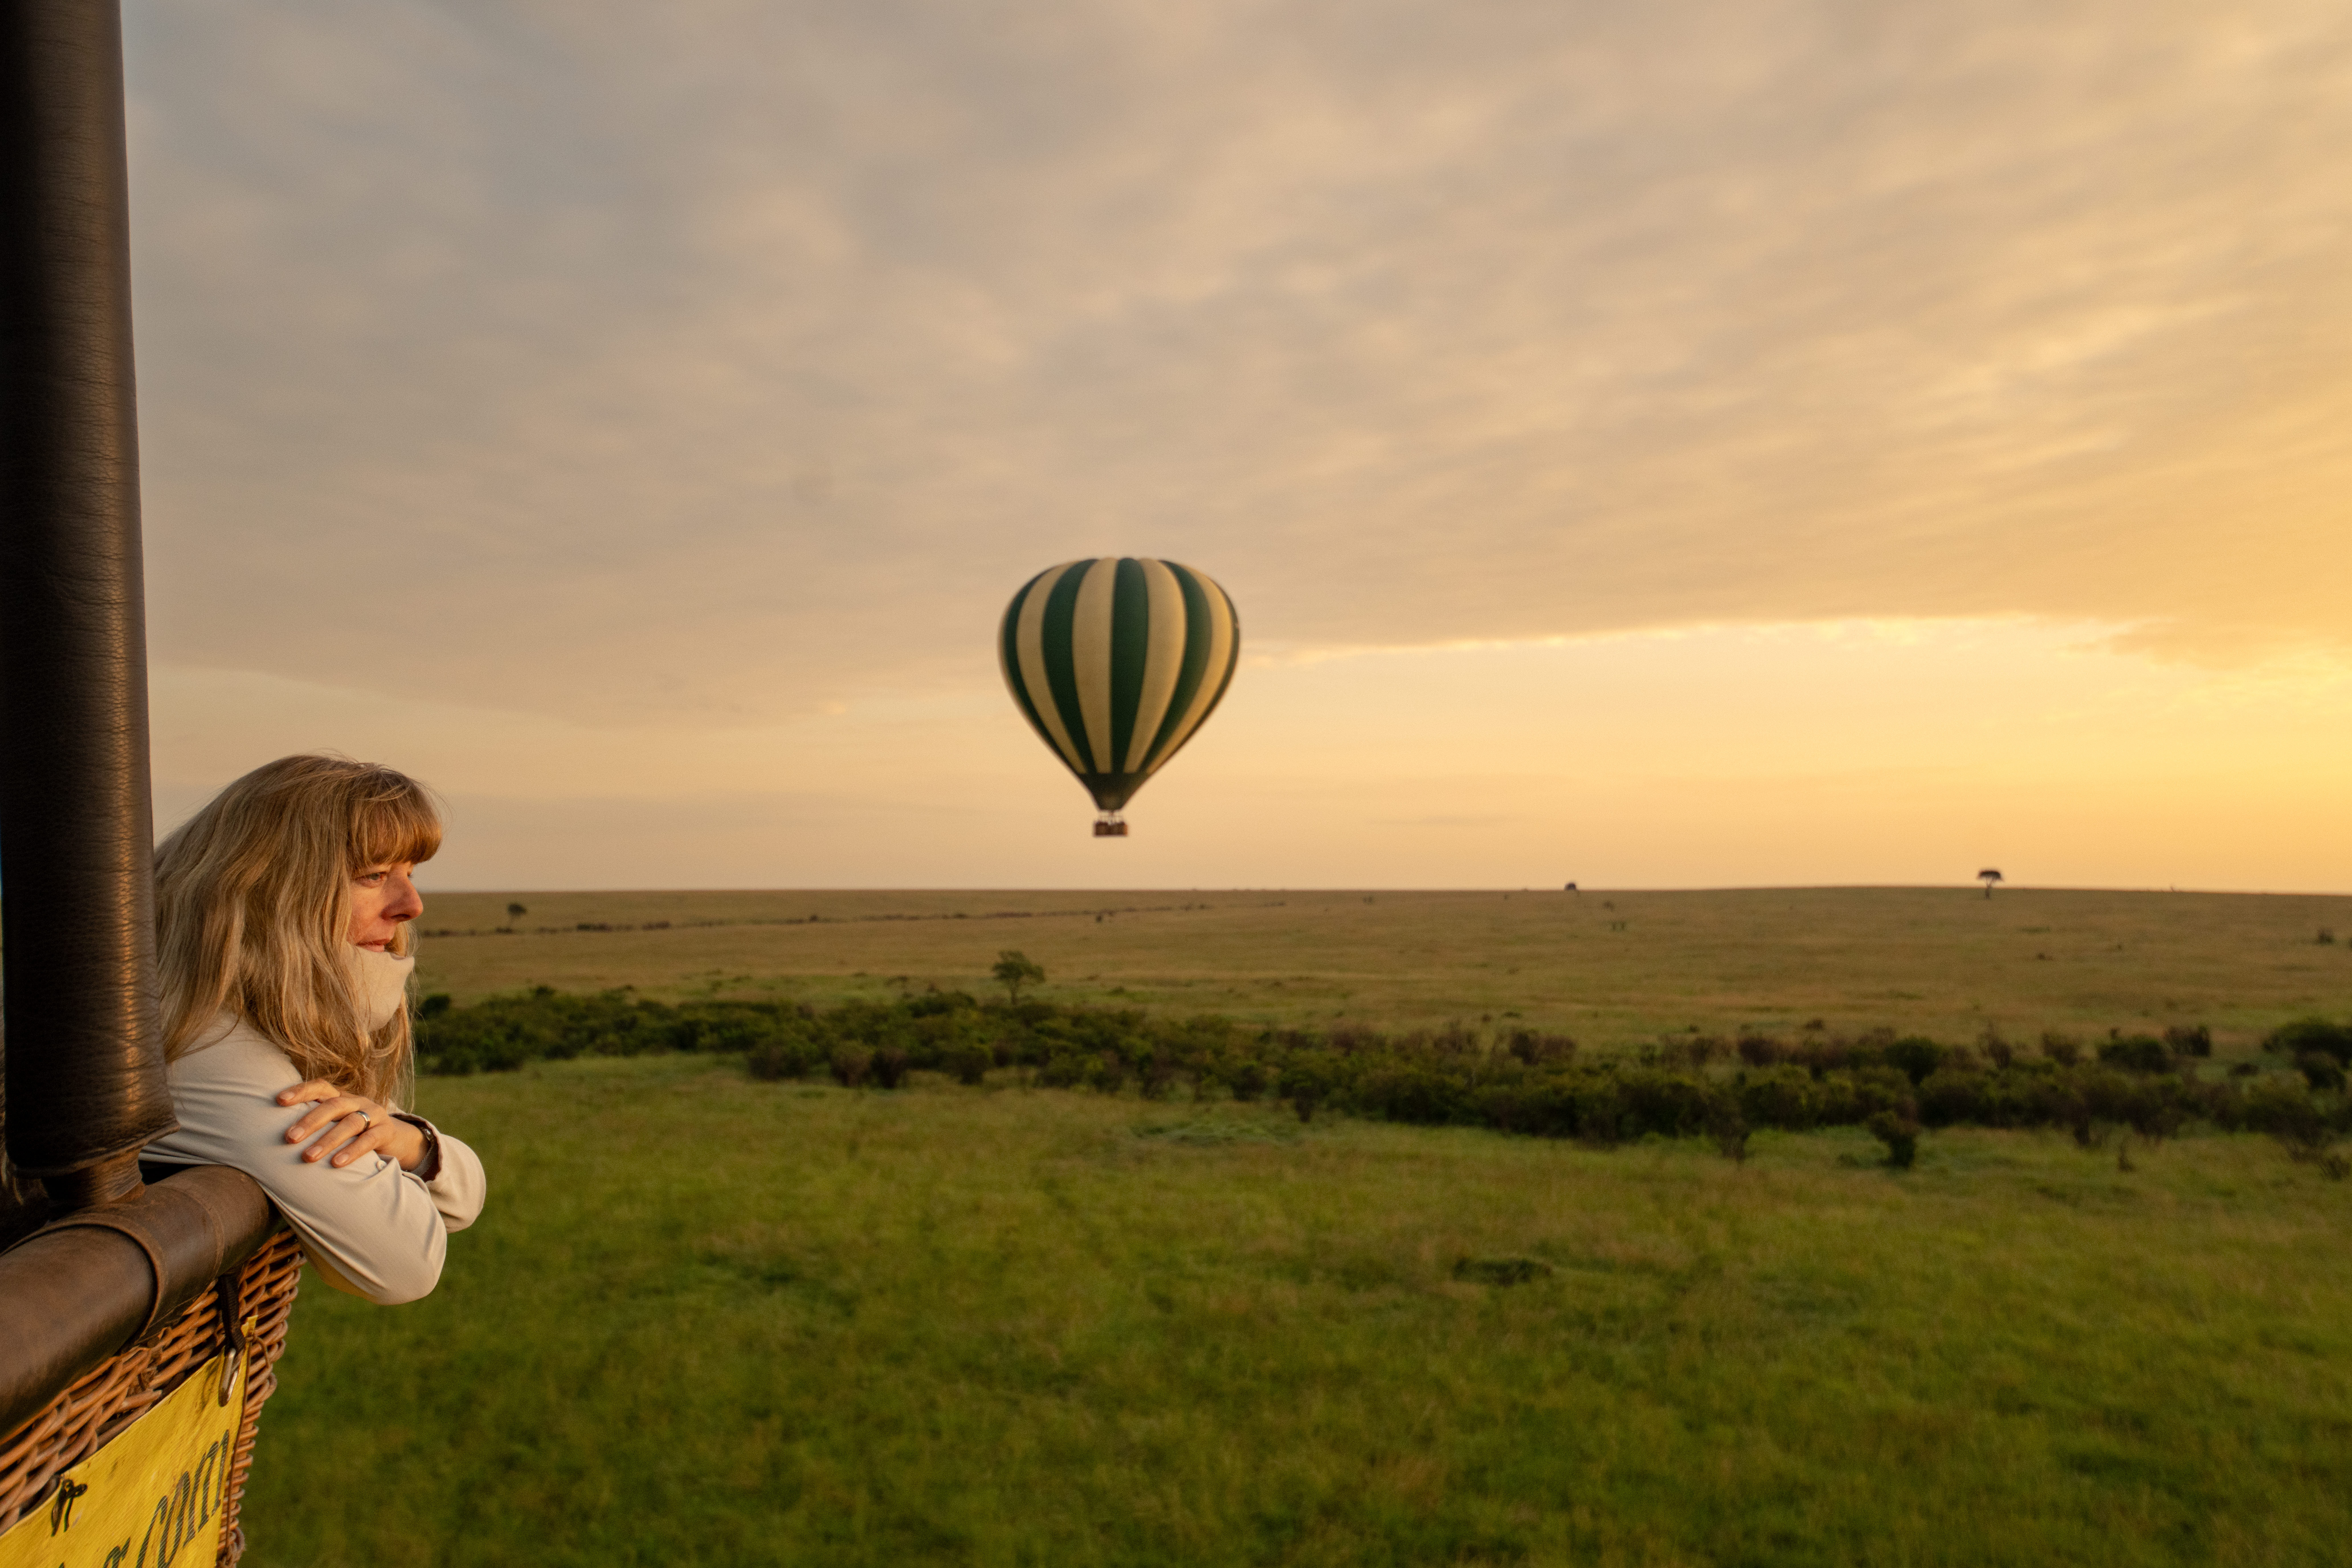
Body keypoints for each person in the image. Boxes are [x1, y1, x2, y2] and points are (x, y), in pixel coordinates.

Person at [141, 755, 485, 1304]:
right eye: (374, 876)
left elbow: (465, 1196)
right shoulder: (203, 1046)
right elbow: (405, 1264)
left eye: (410, 873)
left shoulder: (253, 1017)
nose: (411, 906)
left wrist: (408, 1141)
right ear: (273, 889)